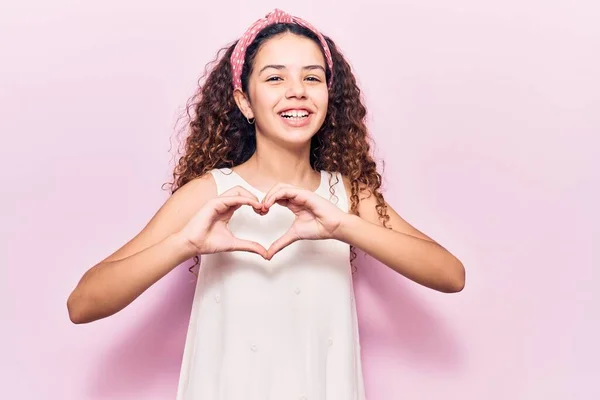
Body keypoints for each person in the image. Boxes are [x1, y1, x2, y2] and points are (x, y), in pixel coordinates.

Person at [67, 9, 465, 399]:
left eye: (313, 77)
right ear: (244, 102)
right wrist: (184, 244)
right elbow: (83, 304)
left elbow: (451, 275)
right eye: (275, 77)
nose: (297, 90)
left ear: (329, 95)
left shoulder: (349, 196)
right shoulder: (209, 193)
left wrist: (343, 225)